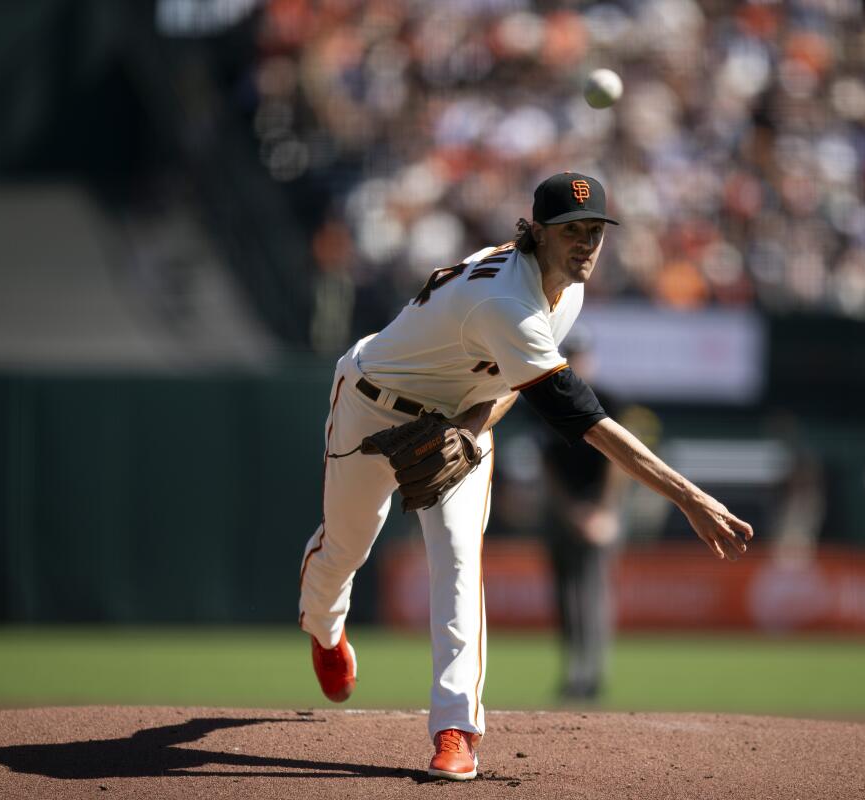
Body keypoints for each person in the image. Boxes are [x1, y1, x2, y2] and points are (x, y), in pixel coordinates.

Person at [297, 172, 753, 781]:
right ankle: (326, 633)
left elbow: (514, 384)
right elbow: (587, 420)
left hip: (457, 415)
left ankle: (455, 729)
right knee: (344, 549)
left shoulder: (569, 291)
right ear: (536, 232)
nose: (587, 244)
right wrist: (689, 497)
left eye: (595, 231)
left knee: (459, 561)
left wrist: (469, 423)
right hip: (369, 402)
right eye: (572, 231)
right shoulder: (506, 300)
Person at [538, 327, 625, 702]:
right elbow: (547, 465)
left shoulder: (609, 400)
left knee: (593, 591)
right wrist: (570, 510)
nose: (576, 362)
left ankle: (595, 671)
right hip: (564, 508)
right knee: (564, 594)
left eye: (581, 355)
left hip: (599, 506)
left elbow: (619, 462)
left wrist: (603, 511)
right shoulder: (547, 401)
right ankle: (573, 670)